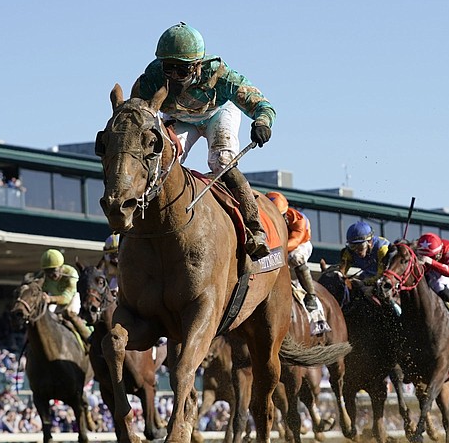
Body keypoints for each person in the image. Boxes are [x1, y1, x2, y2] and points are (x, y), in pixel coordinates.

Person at [133, 22, 275, 259]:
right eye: (169, 68)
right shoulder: (152, 77)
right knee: (161, 157)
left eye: (183, 70)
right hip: (179, 117)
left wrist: (262, 122)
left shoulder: (221, 74)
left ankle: (254, 227)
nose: (175, 77)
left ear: (198, 65)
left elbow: (260, 103)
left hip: (217, 113)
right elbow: (136, 113)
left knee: (221, 160)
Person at [266, 191, 319, 312]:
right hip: (278, 246)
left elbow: (295, 241)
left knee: (295, 257)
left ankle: (311, 296)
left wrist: (274, 250)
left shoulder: (299, 220)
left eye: (277, 218)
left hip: (300, 245)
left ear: (284, 214)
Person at [39, 249, 91, 343]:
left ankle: (89, 340)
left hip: (73, 298)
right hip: (54, 299)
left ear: (61, 267)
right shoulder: (43, 276)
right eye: (47, 271)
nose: (51, 275)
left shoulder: (71, 273)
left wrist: (49, 298)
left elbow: (67, 298)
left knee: (69, 311)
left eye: (53, 271)